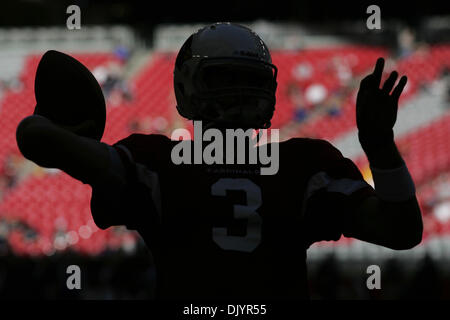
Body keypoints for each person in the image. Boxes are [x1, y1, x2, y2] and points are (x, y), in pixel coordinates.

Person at [16, 22, 422, 299]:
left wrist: (64, 128)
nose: (239, 93)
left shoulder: (156, 161)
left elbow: (35, 138)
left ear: (186, 87)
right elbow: (402, 229)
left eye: (246, 81)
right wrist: (380, 145)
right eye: (226, 80)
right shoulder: (306, 164)